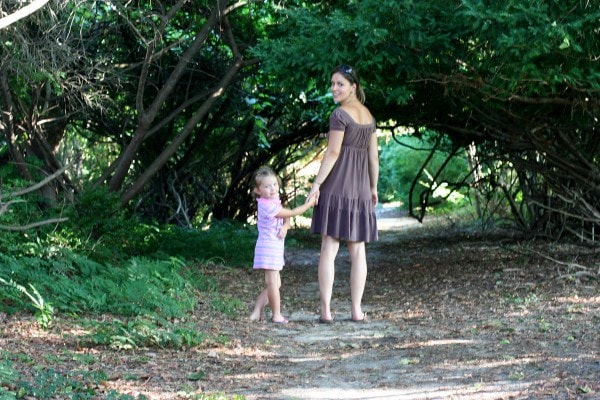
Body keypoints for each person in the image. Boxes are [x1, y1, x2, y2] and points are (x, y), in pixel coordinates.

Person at [307, 64, 379, 323]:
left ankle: (326, 311)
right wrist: (373, 187)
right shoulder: (369, 116)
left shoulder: (339, 115)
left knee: (329, 247)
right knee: (358, 250)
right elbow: (374, 158)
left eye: (340, 84)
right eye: (332, 83)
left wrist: (316, 184)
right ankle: (357, 311)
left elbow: (333, 152)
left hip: (336, 186)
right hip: (359, 190)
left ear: (353, 87)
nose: (334, 88)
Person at [249, 166, 316, 324]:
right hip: (268, 247)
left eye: (274, 184)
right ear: (258, 190)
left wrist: (285, 226)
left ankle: (257, 311)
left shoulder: (273, 201)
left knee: (276, 283)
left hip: (275, 247)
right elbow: (291, 213)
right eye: (266, 186)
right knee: (272, 283)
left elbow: (286, 216)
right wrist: (310, 203)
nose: (272, 189)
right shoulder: (267, 205)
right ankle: (276, 314)